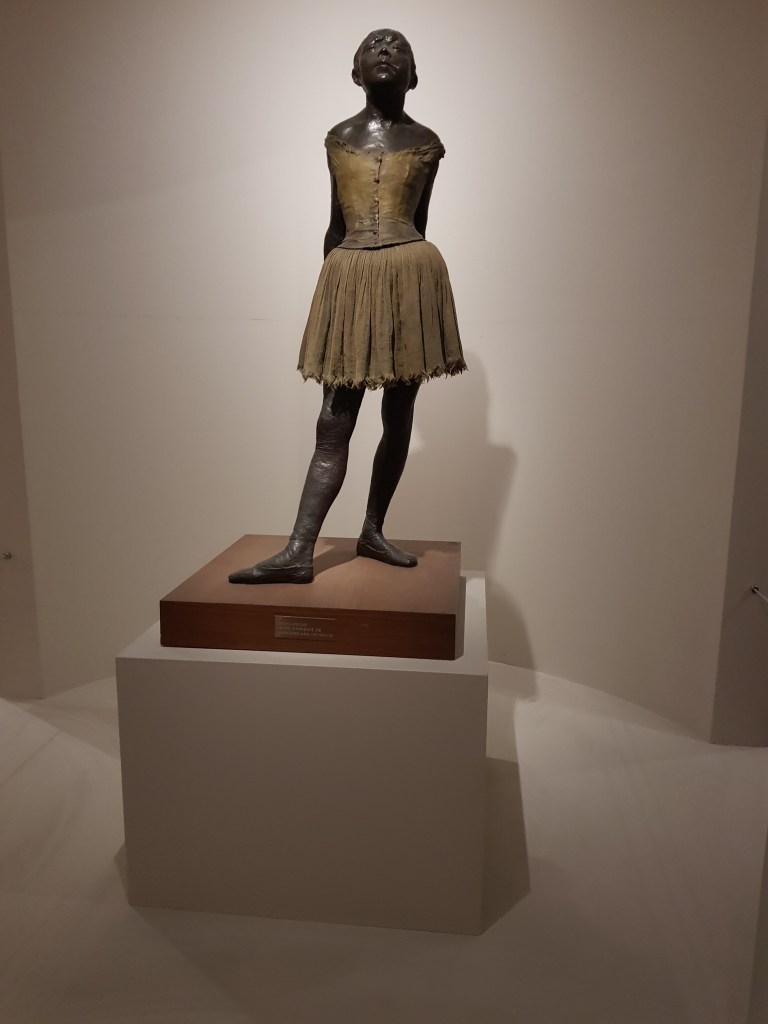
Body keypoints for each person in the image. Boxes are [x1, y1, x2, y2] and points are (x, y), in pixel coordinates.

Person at [229, 28, 465, 585]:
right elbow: (336, 223)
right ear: (355, 72)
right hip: (350, 272)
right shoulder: (338, 138)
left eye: (398, 46)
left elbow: (420, 219)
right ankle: (298, 549)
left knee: (398, 416)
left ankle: (372, 530)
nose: (385, 49)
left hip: (410, 272)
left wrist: (405, 281)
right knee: (333, 423)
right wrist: (331, 297)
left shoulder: (428, 142)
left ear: (414, 75)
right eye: (373, 45)